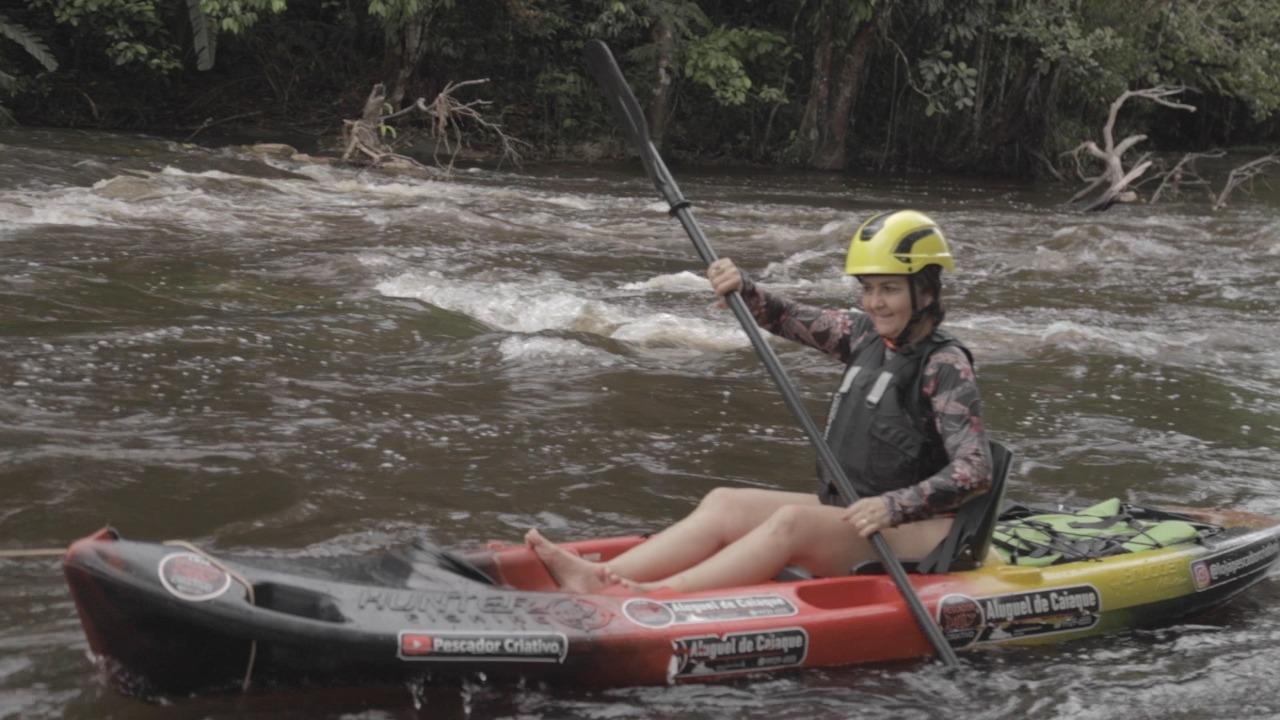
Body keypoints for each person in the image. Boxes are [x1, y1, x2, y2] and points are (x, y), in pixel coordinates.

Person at [526, 210, 993, 593]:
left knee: (792, 522)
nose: (874, 303)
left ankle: (651, 595)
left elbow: (974, 470)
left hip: (920, 531)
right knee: (725, 502)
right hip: (855, 511)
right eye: (868, 288)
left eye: (889, 289)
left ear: (925, 292)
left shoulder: (945, 364)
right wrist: (742, 288)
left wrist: (895, 505)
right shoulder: (863, 334)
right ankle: (601, 576)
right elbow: (786, 315)